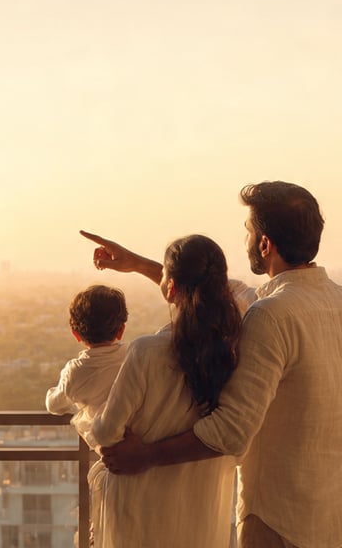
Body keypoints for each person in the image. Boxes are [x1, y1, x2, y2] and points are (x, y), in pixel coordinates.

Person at [81, 181, 342, 548]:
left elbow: (231, 431)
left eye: (248, 231)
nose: (246, 239)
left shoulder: (272, 314)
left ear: (265, 244)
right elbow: (209, 295)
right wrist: (138, 264)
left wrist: (146, 456)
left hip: (283, 521)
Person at [91, 234, 242, 548]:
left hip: (141, 507)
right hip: (202, 507)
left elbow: (106, 433)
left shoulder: (147, 351)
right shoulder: (235, 349)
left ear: (170, 288)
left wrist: (86, 411)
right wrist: (135, 264)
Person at [45, 284, 129, 544]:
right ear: (121, 329)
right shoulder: (134, 357)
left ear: (75, 333)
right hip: (142, 454)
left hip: (109, 462)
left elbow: (55, 404)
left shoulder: (76, 371)